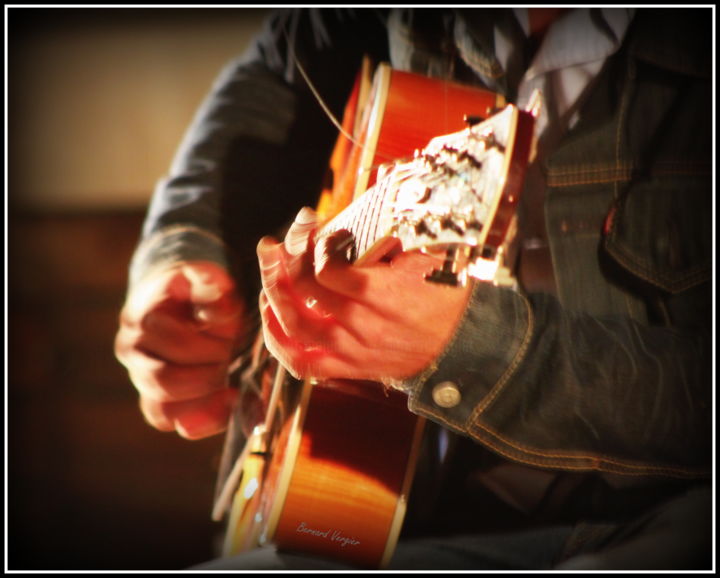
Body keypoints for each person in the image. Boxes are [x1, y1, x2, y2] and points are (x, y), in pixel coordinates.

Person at [114, 8, 713, 570]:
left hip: (654, 524)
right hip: (395, 504)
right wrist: (186, 243)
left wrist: (472, 350)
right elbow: (280, 64)